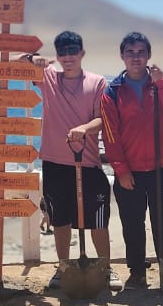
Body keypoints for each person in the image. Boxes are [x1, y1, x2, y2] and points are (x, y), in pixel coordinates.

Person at [18, 31, 121, 292]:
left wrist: (84, 128)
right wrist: (33, 58)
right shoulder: (48, 77)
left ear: (82, 53)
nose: (68, 57)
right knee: (60, 220)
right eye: (62, 52)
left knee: (97, 221)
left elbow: (102, 119)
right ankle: (63, 267)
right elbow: (16, 62)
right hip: (54, 163)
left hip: (87, 163)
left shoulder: (97, 82)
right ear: (57, 55)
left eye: (72, 51)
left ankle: (105, 268)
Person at [99, 32, 163, 294]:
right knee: (132, 224)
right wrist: (121, 170)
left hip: (161, 167)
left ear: (148, 55)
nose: (136, 57)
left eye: (141, 52)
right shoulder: (112, 91)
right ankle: (137, 272)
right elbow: (110, 135)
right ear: (122, 56)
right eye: (130, 52)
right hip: (130, 170)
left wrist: (161, 84)